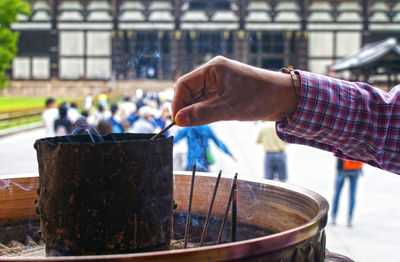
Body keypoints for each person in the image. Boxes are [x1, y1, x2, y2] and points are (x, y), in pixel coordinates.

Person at [171, 56, 400, 175]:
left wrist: (282, 94)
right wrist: (283, 94)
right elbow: (388, 123)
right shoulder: (204, 128)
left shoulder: (197, 128)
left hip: (205, 160)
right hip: (275, 156)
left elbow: (387, 124)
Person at [331, 158, 363, 227]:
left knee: (337, 193)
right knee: (352, 194)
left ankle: (334, 216)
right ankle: (350, 219)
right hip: (356, 169)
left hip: (343, 169)